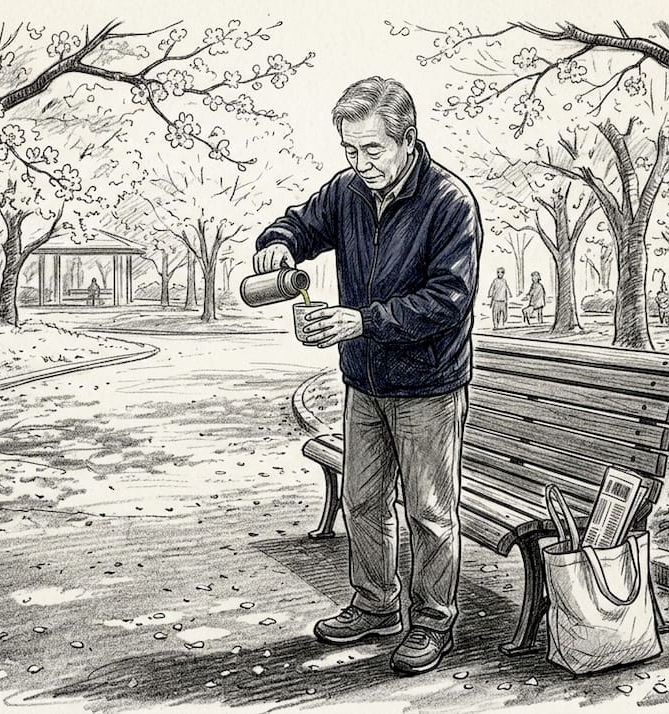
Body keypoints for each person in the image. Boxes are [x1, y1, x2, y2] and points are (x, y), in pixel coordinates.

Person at [252, 76, 481, 675]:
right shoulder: (349, 191)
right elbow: (302, 223)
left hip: (429, 385)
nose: (361, 164)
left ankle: (433, 619)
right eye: (350, 151)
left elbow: (448, 300)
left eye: (372, 150)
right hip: (364, 381)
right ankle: (376, 605)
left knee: (429, 512)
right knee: (362, 502)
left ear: (407, 139)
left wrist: (362, 322)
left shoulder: (449, 202)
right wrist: (280, 243)